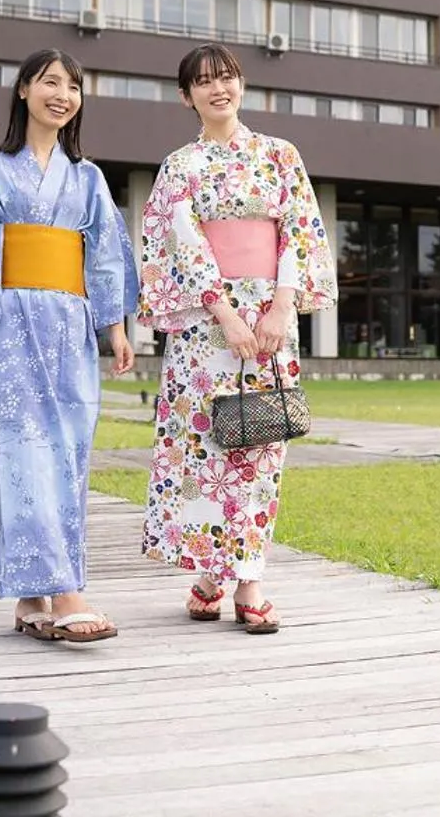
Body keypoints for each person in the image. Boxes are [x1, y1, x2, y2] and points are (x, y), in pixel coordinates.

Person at [0, 48, 137, 643]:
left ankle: (30, 597)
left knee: (68, 452)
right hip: (9, 324)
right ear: (23, 90)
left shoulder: (88, 177)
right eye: (50, 83)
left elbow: (104, 256)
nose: (62, 95)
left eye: (72, 87)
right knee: (22, 453)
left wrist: (115, 327)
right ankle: (66, 592)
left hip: (69, 325)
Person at [138, 42, 335, 634]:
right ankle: (210, 575)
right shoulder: (180, 166)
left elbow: (298, 231)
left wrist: (280, 308)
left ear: (241, 84)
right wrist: (222, 310)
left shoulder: (279, 154)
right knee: (206, 448)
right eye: (203, 82)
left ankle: (248, 579)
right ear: (185, 96)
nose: (217, 88)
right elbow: (180, 241)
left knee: (261, 443)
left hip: (272, 314)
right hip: (207, 324)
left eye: (226, 77)